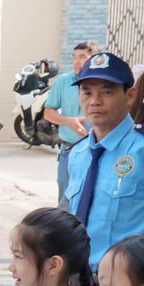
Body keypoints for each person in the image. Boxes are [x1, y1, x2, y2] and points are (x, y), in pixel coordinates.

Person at [59, 50, 144, 266]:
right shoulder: (78, 153)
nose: (95, 101)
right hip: (80, 282)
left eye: (106, 92)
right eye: (87, 93)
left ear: (130, 95)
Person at [47, 42, 98, 199]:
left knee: (93, 197)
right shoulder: (63, 81)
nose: (77, 61)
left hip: (96, 148)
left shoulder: (101, 83)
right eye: (74, 57)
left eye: (82, 57)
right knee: (65, 199)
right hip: (69, 149)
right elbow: (48, 113)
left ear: (95, 59)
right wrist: (70, 121)